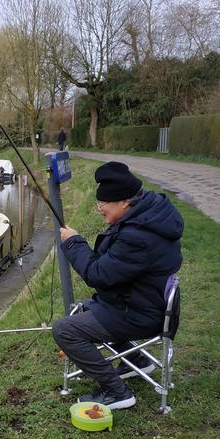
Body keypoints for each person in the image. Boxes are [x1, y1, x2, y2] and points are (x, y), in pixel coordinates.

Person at [52, 161, 184, 409]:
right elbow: (112, 270)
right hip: (144, 302)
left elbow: (98, 274)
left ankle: (117, 392)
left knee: (64, 329)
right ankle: (137, 360)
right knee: (88, 306)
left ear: (124, 202)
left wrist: (73, 243)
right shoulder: (150, 216)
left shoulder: (137, 236)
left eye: (104, 203)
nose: (100, 209)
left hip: (140, 313)